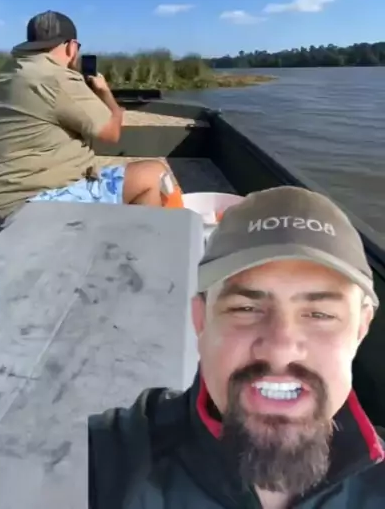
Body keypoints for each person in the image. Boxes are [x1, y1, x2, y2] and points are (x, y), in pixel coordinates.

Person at [89, 186, 385, 509]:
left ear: (360, 329)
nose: (280, 349)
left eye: (320, 314)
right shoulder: (105, 463)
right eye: (245, 309)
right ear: (201, 320)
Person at [0, 10, 173, 232]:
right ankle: (147, 246)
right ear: (72, 47)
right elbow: (111, 133)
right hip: (28, 205)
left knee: (113, 172)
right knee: (154, 174)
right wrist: (107, 96)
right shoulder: (57, 77)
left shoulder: (7, 73)